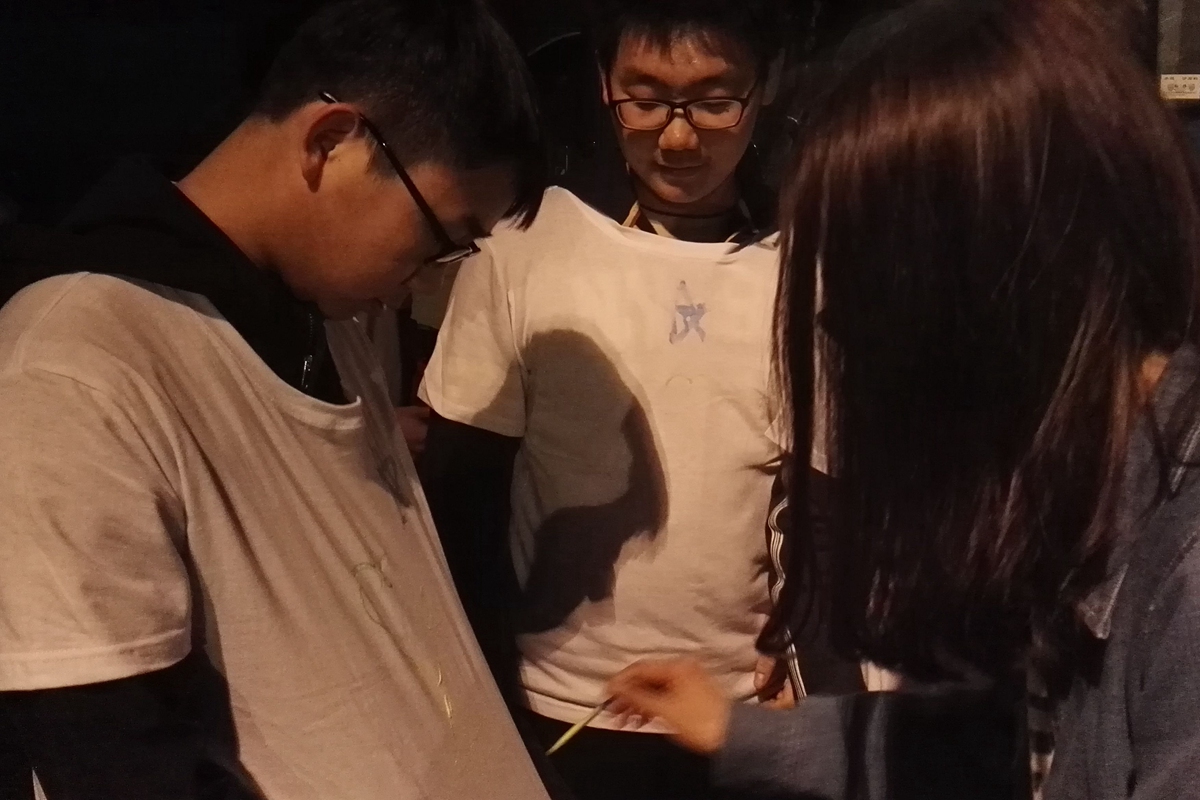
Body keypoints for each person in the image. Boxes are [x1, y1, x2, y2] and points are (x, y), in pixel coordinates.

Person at [606, 0, 1200, 798]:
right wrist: (741, 730)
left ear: (993, 294)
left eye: (862, 310)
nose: (851, 362)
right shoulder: (1091, 503)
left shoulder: (1184, 574)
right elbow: (1013, 745)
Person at [0, 1, 553, 798]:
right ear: (331, 142)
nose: (423, 280)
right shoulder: (75, 362)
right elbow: (116, 760)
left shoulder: (323, 324)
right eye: (439, 238)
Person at [419, 2, 856, 798]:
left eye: (715, 102)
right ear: (602, 81)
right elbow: (461, 500)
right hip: (554, 704)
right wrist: (485, 701)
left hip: (737, 709)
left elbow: (821, 509)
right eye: (645, 100)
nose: (678, 139)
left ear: (766, 85)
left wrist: (810, 681)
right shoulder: (525, 245)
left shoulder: (804, 259)